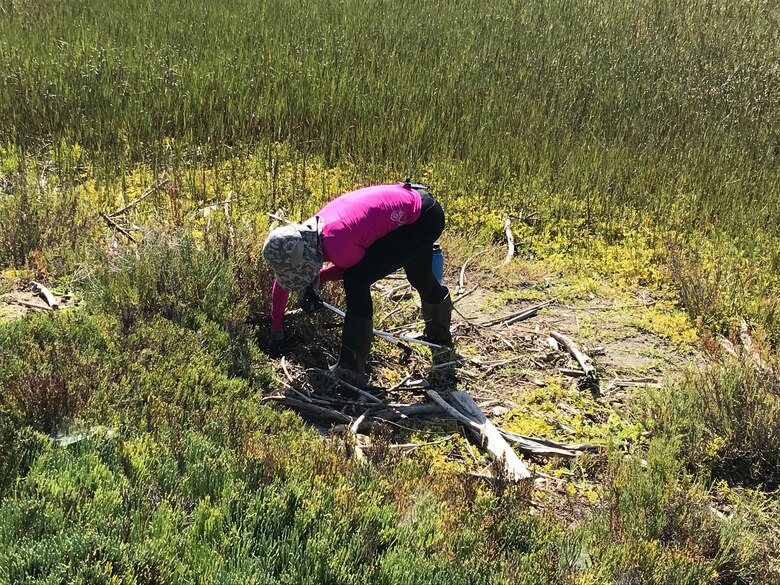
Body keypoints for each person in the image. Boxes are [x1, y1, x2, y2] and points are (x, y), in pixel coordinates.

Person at [262, 181, 452, 385]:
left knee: (357, 280)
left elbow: (353, 268)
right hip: (413, 207)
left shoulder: (337, 242)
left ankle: (351, 370)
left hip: (424, 217)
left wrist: (317, 278)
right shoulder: (303, 235)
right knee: (419, 276)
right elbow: (282, 281)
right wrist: (277, 330)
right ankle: (439, 336)